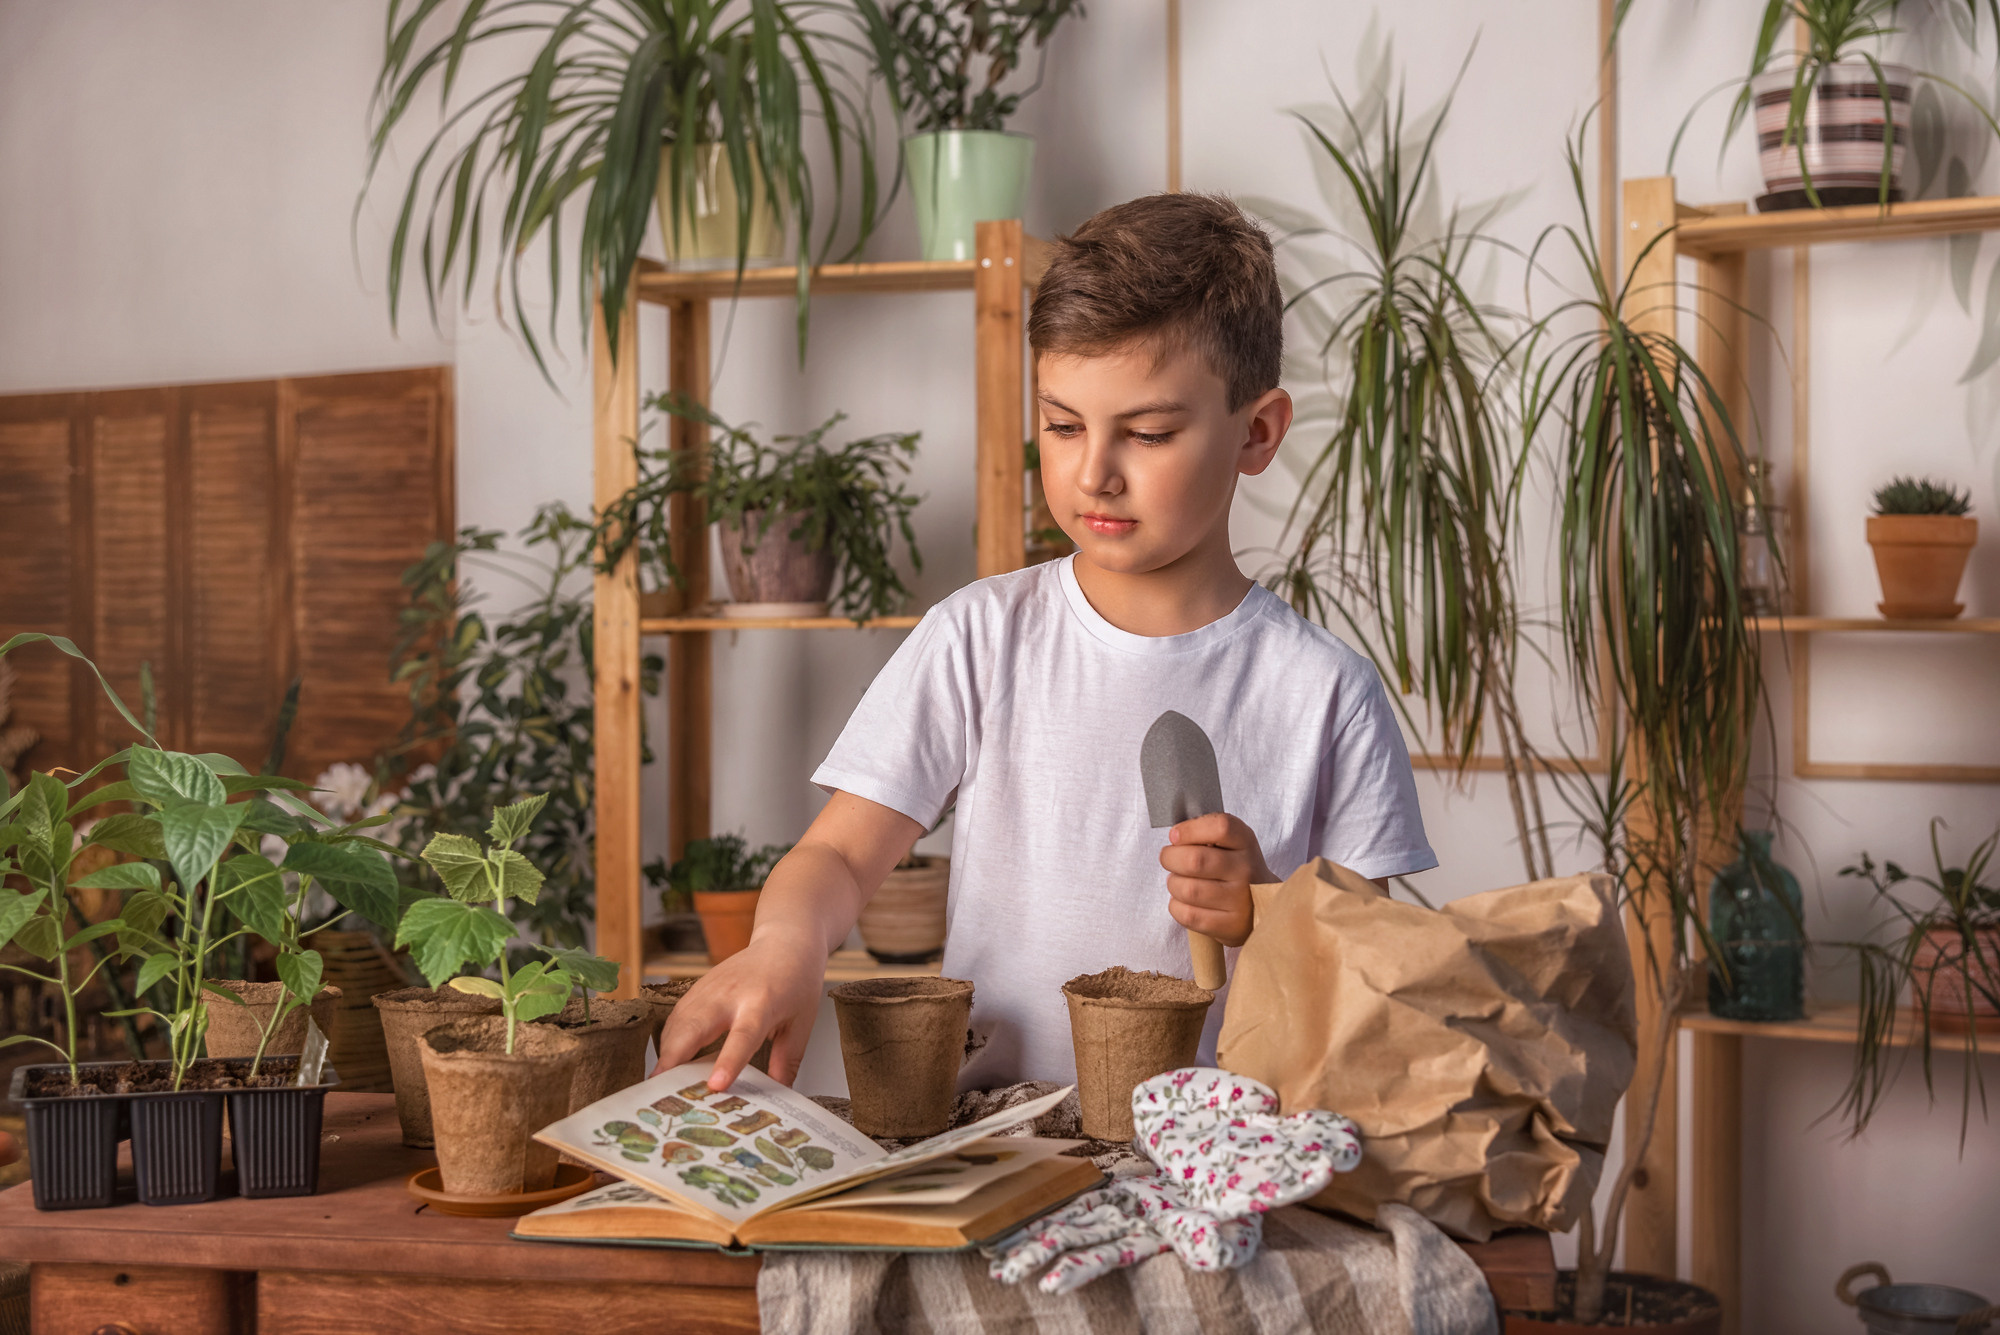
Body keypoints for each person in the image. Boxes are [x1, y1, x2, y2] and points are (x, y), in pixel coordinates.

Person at [656, 192, 1436, 1093]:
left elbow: (1370, 972)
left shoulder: (1324, 691)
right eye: (1062, 425)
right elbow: (836, 855)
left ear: (1255, 432)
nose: (1092, 471)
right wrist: (786, 945)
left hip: (1228, 1145)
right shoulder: (982, 637)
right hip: (997, 1145)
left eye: (1147, 432)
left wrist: (1266, 907)